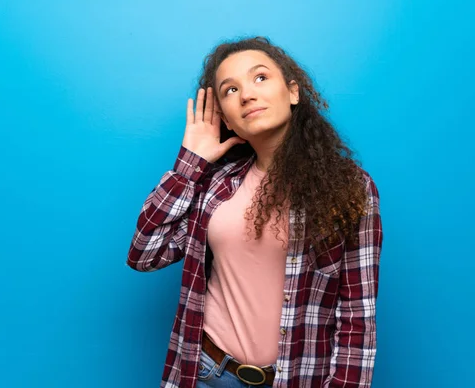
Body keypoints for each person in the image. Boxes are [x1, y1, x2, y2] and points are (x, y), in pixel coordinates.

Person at [127, 36, 384, 388]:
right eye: (230, 90)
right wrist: (190, 163)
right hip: (206, 372)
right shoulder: (213, 187)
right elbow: (144, 254)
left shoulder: (351, 187)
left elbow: (357, 313)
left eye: (260, 78)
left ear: (293, 92)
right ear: (228, 121)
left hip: (295, 379)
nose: (247, 94)